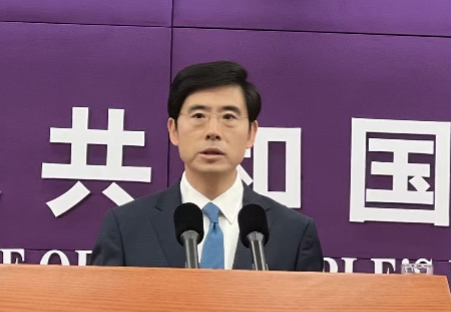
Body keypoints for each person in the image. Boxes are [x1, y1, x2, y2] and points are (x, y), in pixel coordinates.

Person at [89, 61, 323, 271]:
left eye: (228, 117)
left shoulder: (294, 233)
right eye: (199, 116)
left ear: (251, 133)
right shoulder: (125, 227)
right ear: (173, 130)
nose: (213, 131)